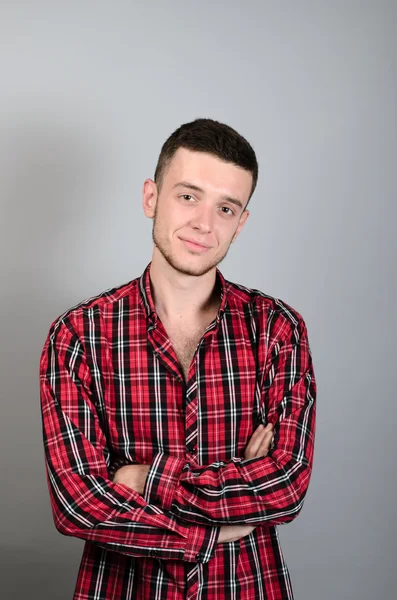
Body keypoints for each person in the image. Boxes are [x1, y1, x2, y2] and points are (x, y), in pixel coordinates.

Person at [39, 117, 317, 600]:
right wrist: (220, 526)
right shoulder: (78, 335)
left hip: (248, 587)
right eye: (188, 196)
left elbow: (286, 485)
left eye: (226, 207)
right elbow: (79, 503)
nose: (204, 224)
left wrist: (141, 479)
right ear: (151, 197)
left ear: (241, 221)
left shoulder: (278, 329)